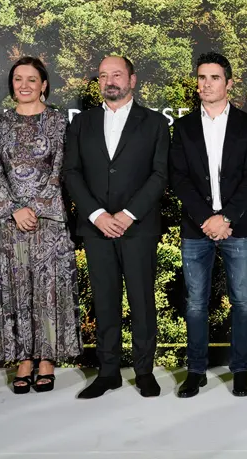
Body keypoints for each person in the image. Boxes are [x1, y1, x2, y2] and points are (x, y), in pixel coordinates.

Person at [64, 56, 170, 399]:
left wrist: (128, 214)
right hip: (96, 228)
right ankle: (107, 372)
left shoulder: (155, 123)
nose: (110, 81)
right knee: (105, 301)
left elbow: (160, 175)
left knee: (142, 301)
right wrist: (97, 214)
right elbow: (71, 172)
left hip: (138, 227)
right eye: (103, 75)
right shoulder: (82, 123)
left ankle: (144, 372)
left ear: (132, 80)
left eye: (117, 74)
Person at [0, 57, 81, 394]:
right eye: (18, 79)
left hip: (48, 222)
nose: (24, 85)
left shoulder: (59, 122)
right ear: (12, 84)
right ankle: (23, 359)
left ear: (44, 85)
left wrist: (35, 209)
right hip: (10, 224)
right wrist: (14, 210)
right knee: (16, 290)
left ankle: (47, 359)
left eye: (31, 79)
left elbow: (62, 171)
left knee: (48, 291)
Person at [169, 52, 247, 398]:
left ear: (229, 83)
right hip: (197, 228)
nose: (206, 84)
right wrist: (205, 218)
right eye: (201, 77)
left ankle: (241, 370)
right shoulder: (183, 128)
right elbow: (178, 178)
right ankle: (196, 371)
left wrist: (226, 218)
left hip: (237, 227)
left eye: (214, 78)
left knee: (242, 301)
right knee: (195, 302)